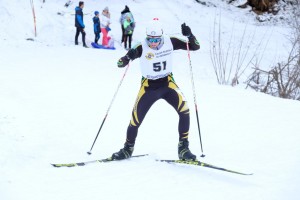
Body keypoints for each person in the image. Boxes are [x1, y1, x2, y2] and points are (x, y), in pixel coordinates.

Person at [111, 18, 200, 161]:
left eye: (156, 40)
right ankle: (127, 149)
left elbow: (195, 47)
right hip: (149, 87)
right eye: (150, 40)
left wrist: (190, 35)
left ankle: (183, 148)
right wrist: (128, 57)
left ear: (161, 37)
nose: (153, 43)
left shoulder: (170, 41)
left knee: (185, 110)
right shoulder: (141, 46)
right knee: (135, 120)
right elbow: (121, 62)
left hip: (167, 84)